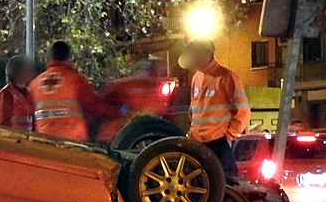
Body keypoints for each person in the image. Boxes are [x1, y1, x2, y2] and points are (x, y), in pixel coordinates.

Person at [179, 39, 250, 177]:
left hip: (218, 143)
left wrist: (229, 136)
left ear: (205, 54)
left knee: (226, 185)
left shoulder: (227, 77)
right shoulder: (196, 78)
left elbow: (243, 111)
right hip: (198, 142)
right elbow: (193, 110)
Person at [29, 41, 119, 143]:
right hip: (72, 141)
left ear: (50, 56)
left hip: (45, 140)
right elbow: (94, 107)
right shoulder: (75, 80)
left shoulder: (35, 84)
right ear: (68, 57)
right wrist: (119, 111)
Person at [96, 58, 171, 144]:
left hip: (138, 140)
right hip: (115, 138)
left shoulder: (155, 90)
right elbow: (98, 106)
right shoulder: (119, 86)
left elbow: (161, 114)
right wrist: (119, 112)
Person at [0, 55, 35, 130]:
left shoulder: (27, 93)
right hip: (13, 139)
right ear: (17, 71)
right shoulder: (6, 93)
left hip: (26, 139)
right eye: (25, 68)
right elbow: (3, 122)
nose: (29, 71)